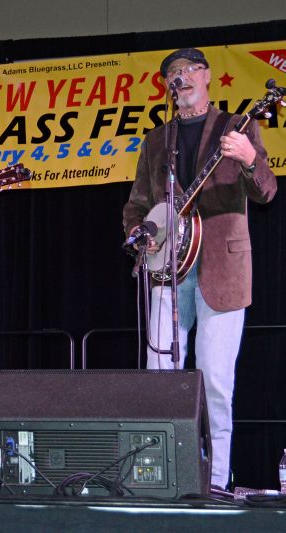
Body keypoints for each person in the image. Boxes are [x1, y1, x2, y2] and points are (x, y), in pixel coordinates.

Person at [122, 48, 277, 490]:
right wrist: (141, 234)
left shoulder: (238, 127)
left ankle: (218, 482)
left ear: (208, 76)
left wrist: (249, 158)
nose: (182, 77)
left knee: (215, 383)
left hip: (222, 270)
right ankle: (161, 476)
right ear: (167, 86)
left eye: (190, 69)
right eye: (173, 72)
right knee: (159, 377)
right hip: (168, 269)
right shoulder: (157, 140)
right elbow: (136, 205)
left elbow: (266, 192)